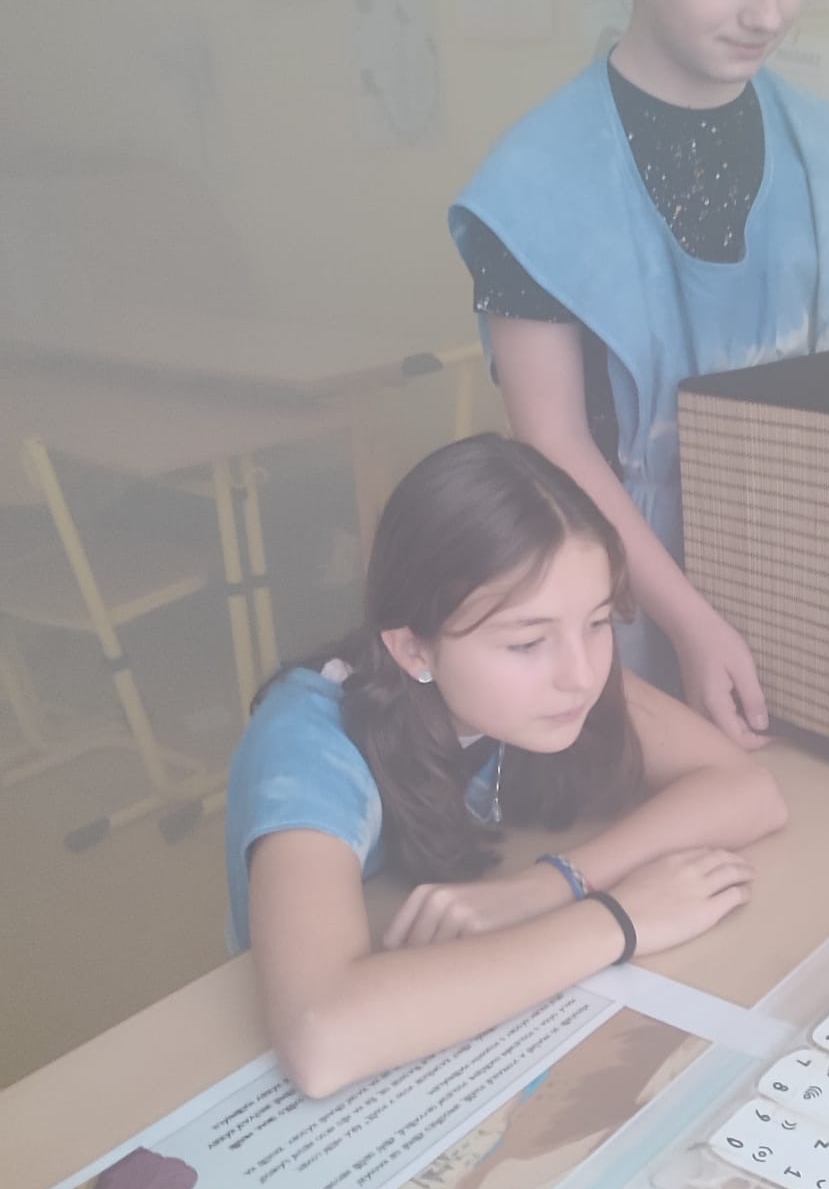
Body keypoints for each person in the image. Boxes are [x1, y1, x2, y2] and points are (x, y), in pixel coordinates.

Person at [449, 0, 829, 747]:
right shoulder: (534, 186)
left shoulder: (828, 151)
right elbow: (554, 441)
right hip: (623, 627)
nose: (768, 12)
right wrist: (693, 623)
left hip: (819, 594)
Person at [225, 433, 786, 1100]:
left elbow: (748, 791)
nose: (581, 675)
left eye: (599, 623)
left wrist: (551, 885)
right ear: (413, 650)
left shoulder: (558, 676)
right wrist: (620, 918)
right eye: (526, 643)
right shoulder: (308, 741)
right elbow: (323, 1035)